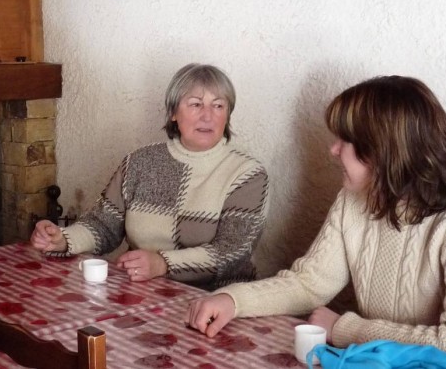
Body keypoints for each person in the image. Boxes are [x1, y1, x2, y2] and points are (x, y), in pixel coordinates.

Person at [187, 76, 446, 353]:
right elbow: (309, 285)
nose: (333, 150)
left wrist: (343, 329)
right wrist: (233, 300)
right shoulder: (354, 199)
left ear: (382, 151)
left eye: (345, 141)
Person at [30, 63, 269, 290]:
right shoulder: (139, 162)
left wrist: (162, 263)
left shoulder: (247, 174)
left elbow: (232, 252)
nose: (208, 116)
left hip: (216, 301)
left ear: (227, 114)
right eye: (195, 104)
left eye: (218, 106)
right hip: (142, 292)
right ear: (174, 112)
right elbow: (104, 226)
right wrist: (62, 239)